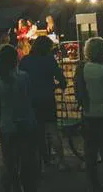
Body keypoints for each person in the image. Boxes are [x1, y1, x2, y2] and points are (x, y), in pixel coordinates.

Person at [0, 44, 38, 192]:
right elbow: (30, 97)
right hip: (26, 122)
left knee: (9, 163)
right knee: (27, 161)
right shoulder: (24, 77)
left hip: (8, 124)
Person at [74, 37, 103, 192]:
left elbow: (79, 91)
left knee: (90, 151)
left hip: (89, 113)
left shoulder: (82, 69)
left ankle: (93, 183)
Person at [19, 36, 67, 171]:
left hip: (31, 101)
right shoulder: (49, 60)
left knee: (37, 132)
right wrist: (59, 85)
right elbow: (61, 78)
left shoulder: (25, 60)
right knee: (52, 130)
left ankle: (41, 162)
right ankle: (61, 161)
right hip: (47, 99)